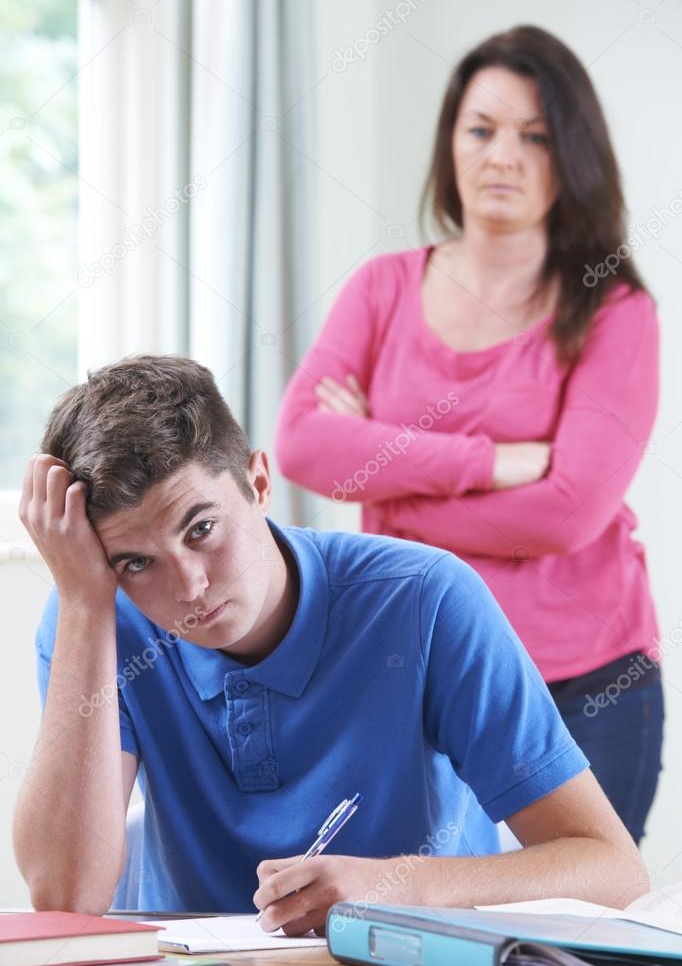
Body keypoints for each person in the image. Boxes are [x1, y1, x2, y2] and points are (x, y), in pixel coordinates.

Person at [14, 355, 645, 930]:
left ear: (259, 484)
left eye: (202, 527)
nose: (190, 586)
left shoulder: (425, 599)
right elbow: (66, 896)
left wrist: (394, 886)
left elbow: (612, 871)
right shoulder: (91, 619)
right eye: (136, 563)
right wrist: (83, 603)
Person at [275, 25, 663, 846]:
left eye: (535, 136)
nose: (502, 156)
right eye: (480, 129)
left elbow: (568, 512)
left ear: (573, 156)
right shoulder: (384, 288)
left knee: (570, 944)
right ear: (451, 141)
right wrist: (491, 463)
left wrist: (385, 478)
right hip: (419, 673)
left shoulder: (615, 309)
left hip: (585, 682)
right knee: (417, 934)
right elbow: (304, 446)